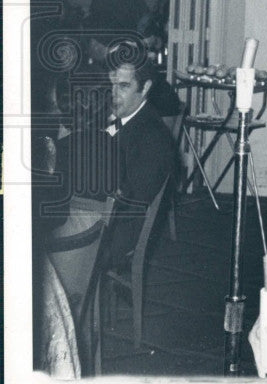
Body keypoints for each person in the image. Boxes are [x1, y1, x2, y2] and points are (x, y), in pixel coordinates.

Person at [45, 53, 181, 308]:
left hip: (111, 235)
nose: (113, 95)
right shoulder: (122, 120)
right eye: (110, 86)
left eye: (124, 86)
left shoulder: (153, 137)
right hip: (98, 218)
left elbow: (130, 205)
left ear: (146, 87)